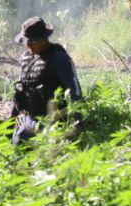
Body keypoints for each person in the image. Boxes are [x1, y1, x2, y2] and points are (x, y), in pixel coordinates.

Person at [11, 16, 83, 144]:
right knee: (16, 146)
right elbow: (20, 89)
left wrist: (76, 119)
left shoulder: (59, 58)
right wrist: (11, 120)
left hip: (53, 121)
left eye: (32, 43)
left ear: (43, 39)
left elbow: (74, 91)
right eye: (27, 44)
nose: (29, 47)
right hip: (29, 118)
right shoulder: (25, 58)